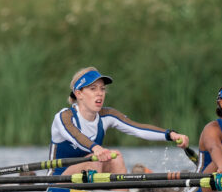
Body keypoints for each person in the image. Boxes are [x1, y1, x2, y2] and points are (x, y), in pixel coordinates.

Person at [49, 67, 190, 175]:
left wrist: (171, 135)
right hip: (58, 180)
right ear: (78, 93)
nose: (100, 93)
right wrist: (96, 148)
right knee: (95, 159)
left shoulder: (107, 115)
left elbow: (137, 128)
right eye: (93, 89)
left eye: (102, 89)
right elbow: (76, 135)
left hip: (89, 175)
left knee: (115, 157)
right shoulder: (64, 117)